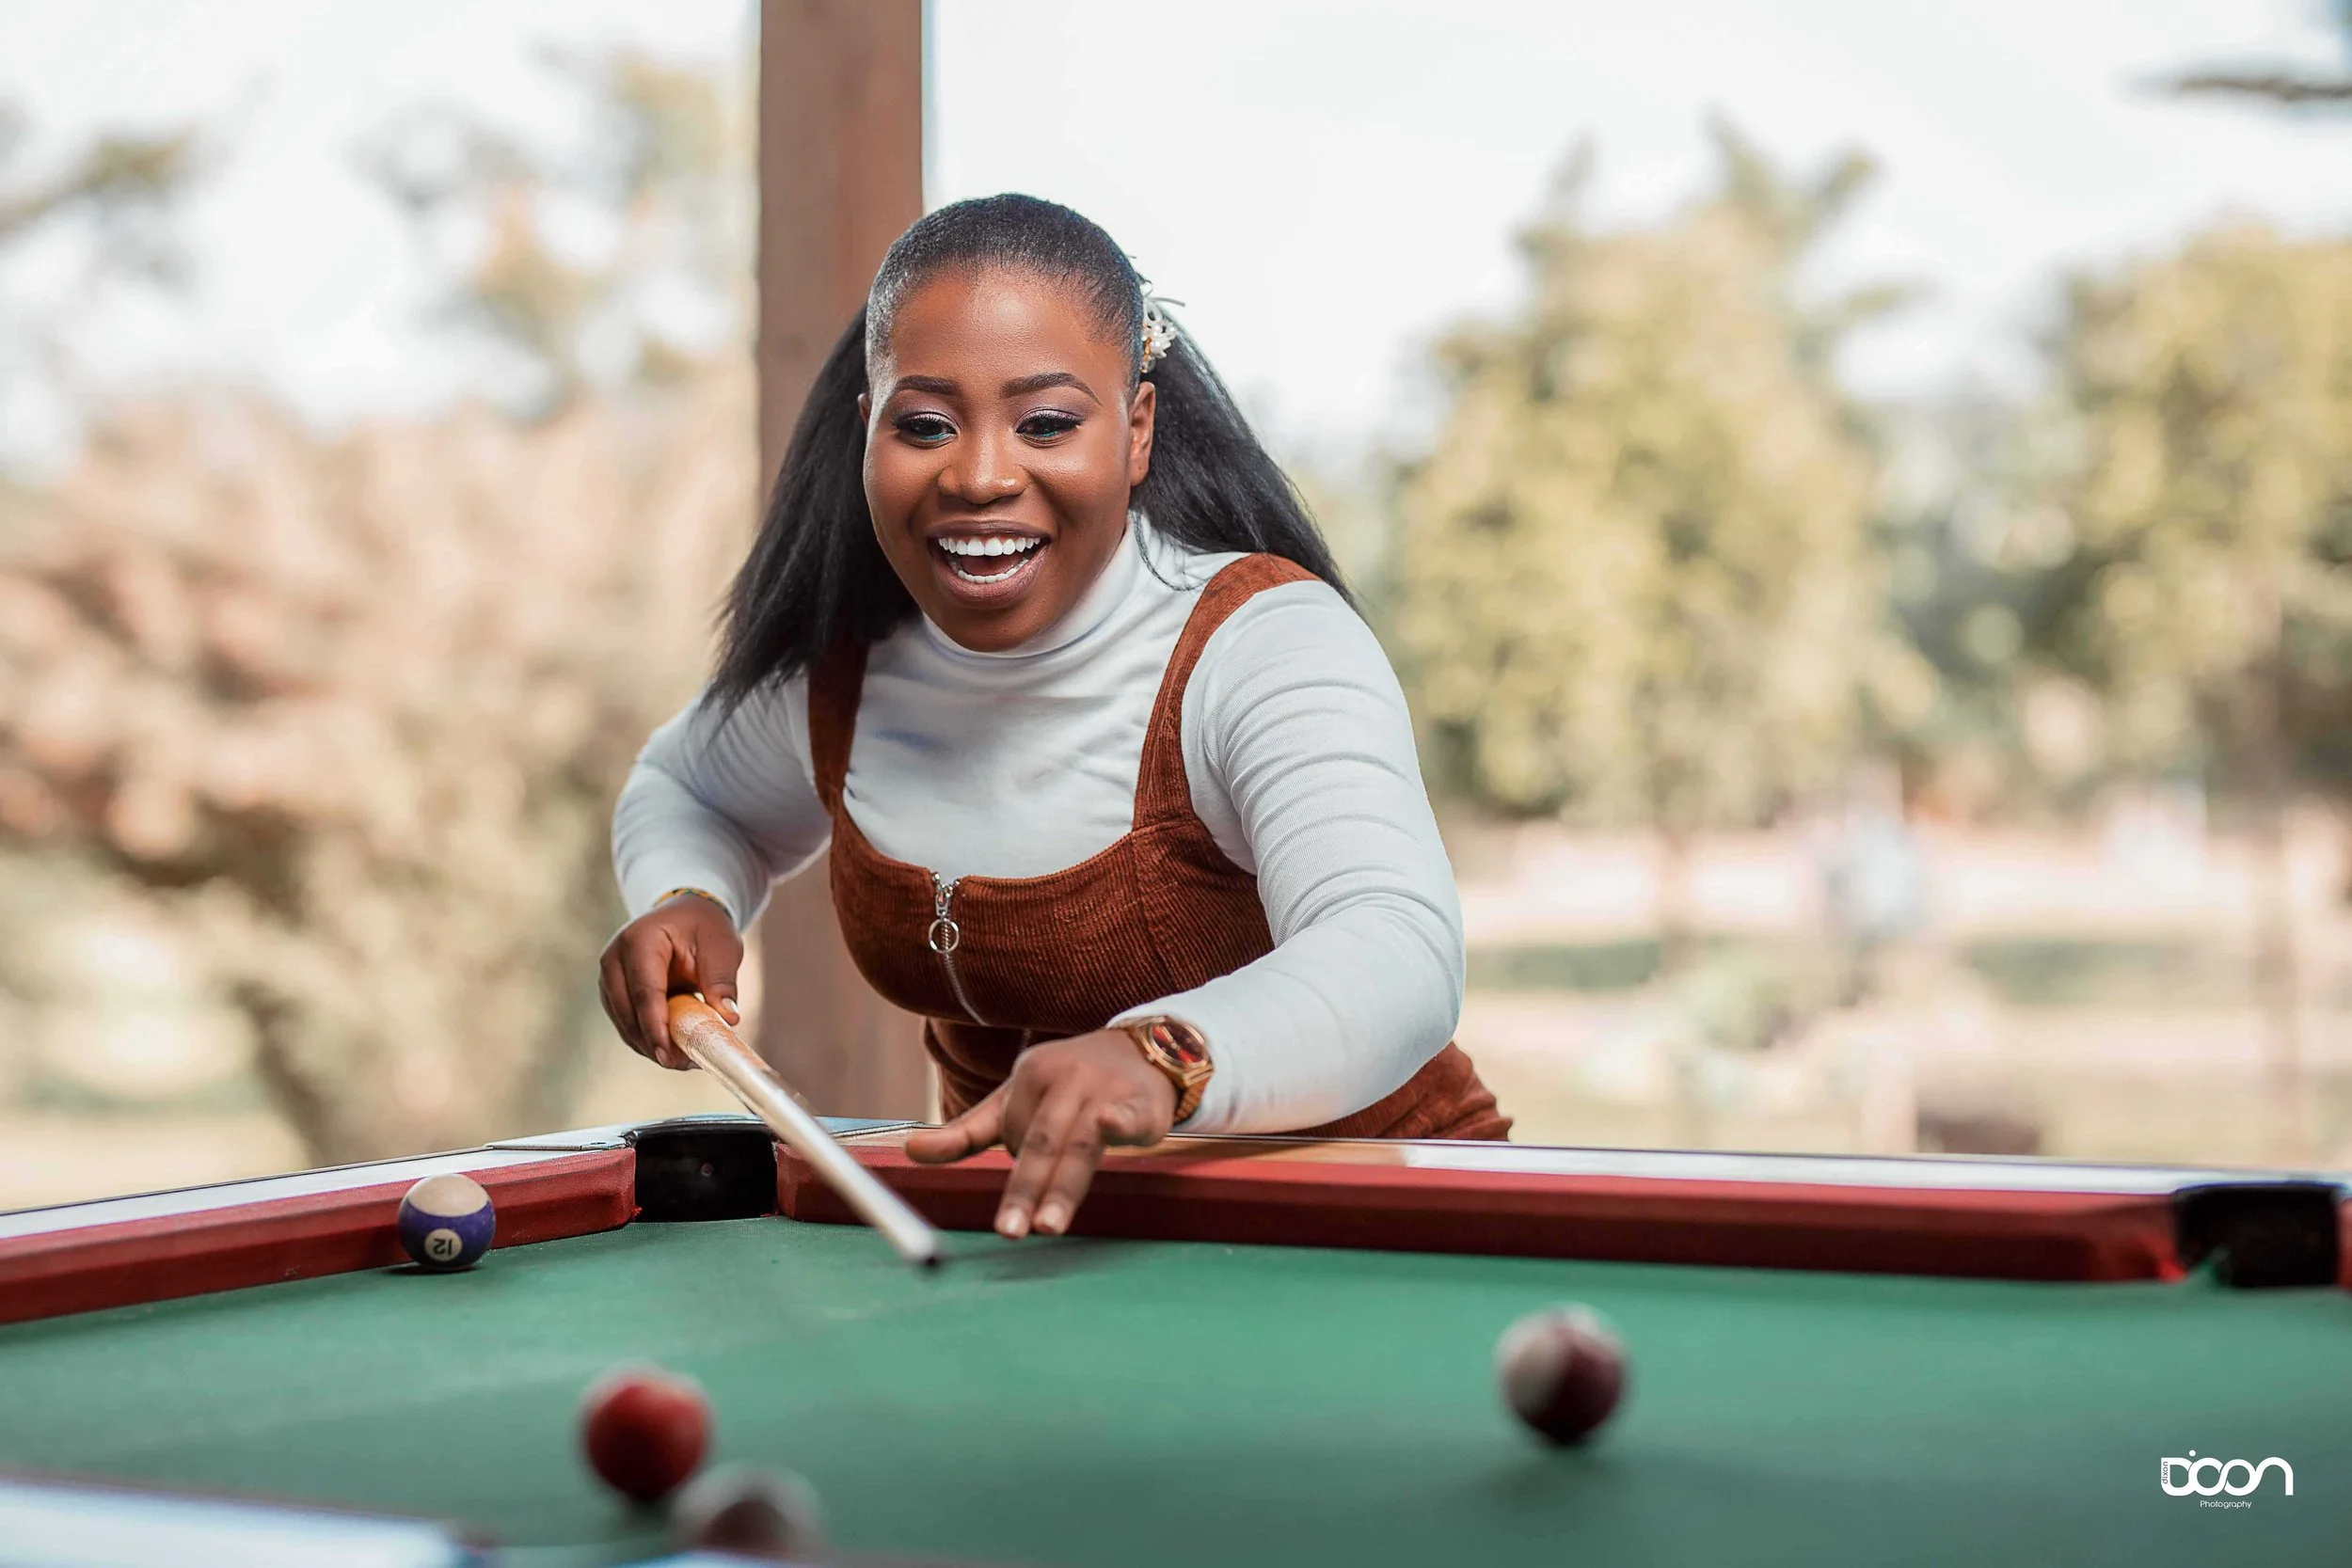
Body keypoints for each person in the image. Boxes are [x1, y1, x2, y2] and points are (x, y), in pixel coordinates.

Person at [603, 194, 1506, 1242]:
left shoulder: (1261, 644)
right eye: (926, 424)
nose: (981, 475)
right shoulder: (844, 672)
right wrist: (690, 894)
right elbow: (690, 787)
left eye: (1045, 422)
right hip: (1040, 1271)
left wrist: (1158, 1056)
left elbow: (1395, 949)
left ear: (1135, 432)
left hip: (1378, 1244)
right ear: (868, 434)